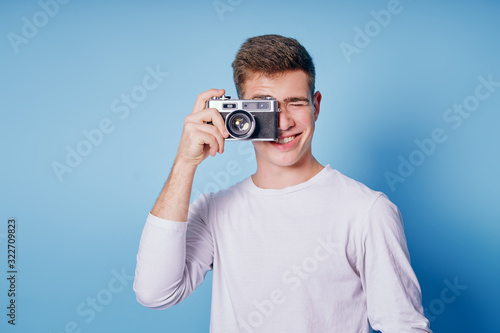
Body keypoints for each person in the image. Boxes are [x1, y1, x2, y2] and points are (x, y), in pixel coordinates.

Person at [133, 34, 432, 333]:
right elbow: (155, 293)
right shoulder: (215, 211)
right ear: (239, 116)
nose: (283, 122)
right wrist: (185, 164)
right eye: (264, 107)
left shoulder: (366, 211)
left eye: (295, 103)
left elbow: (404, 326)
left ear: (316, 106)